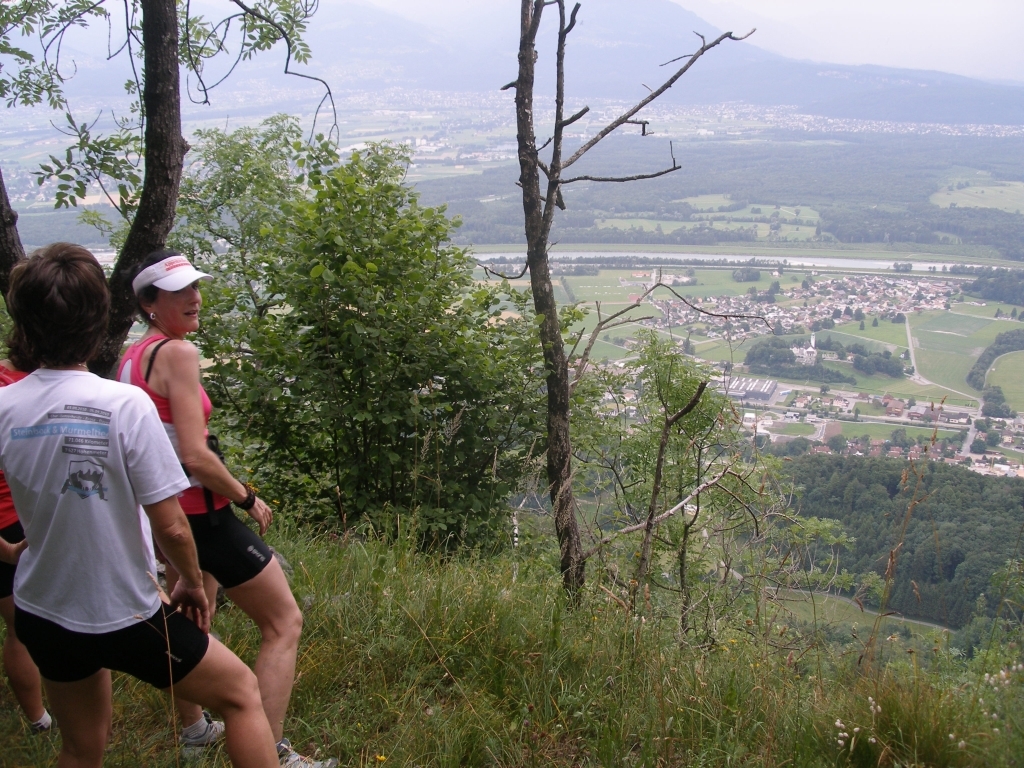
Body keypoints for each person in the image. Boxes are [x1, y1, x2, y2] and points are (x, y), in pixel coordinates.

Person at [0, 243, 280, 768]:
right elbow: (171, 525)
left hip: (42, 608)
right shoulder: (122, 404)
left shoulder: (5, 404)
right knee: (241, 695)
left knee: (81, 748)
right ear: (97, 318)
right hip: (121, 610)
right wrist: (191, 581)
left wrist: (10, 552)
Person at [119, 250, 336, 767]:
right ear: (149, 302)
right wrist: (247, 496)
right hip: (201, 513)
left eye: (195, 287)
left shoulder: (133, 356)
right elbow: (194, 454)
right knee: (283, 621)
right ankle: (273, 750)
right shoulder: (178, 353)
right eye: (179, 292)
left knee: (193, 612)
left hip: (163, 511)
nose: (194, 298)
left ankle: (195, 730)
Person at [0, 351, 52, 735]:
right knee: (22, 627)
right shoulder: (18, 388)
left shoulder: (11, 383)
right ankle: (39, 720)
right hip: (12, 522)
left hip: (17, 518)